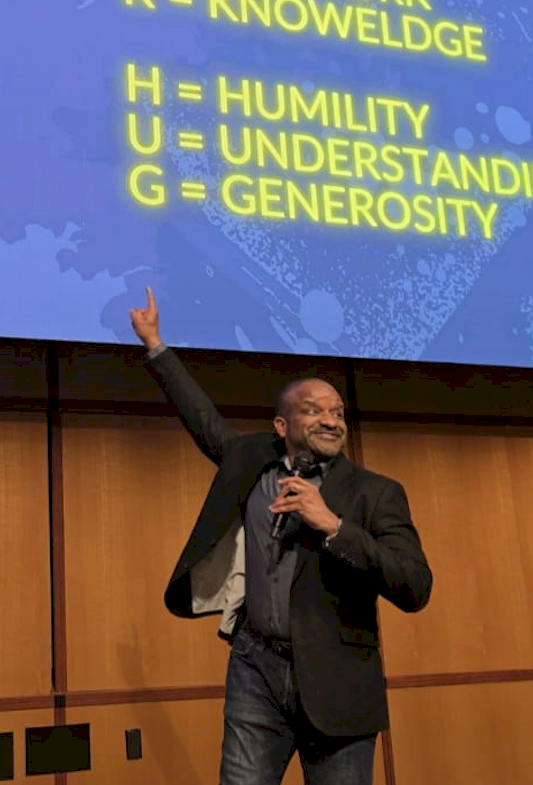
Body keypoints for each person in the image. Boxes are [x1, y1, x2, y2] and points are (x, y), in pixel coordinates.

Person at [130, 288, 432, 785]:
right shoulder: (252, 463)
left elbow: (415, 587)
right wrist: (156, 346)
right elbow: (204, 422)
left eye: (337, 412)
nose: (331, 420)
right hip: (255, 667)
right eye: (314, 411)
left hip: (337, 680)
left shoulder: (376, 493)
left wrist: (334, 526)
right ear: (281, 424)